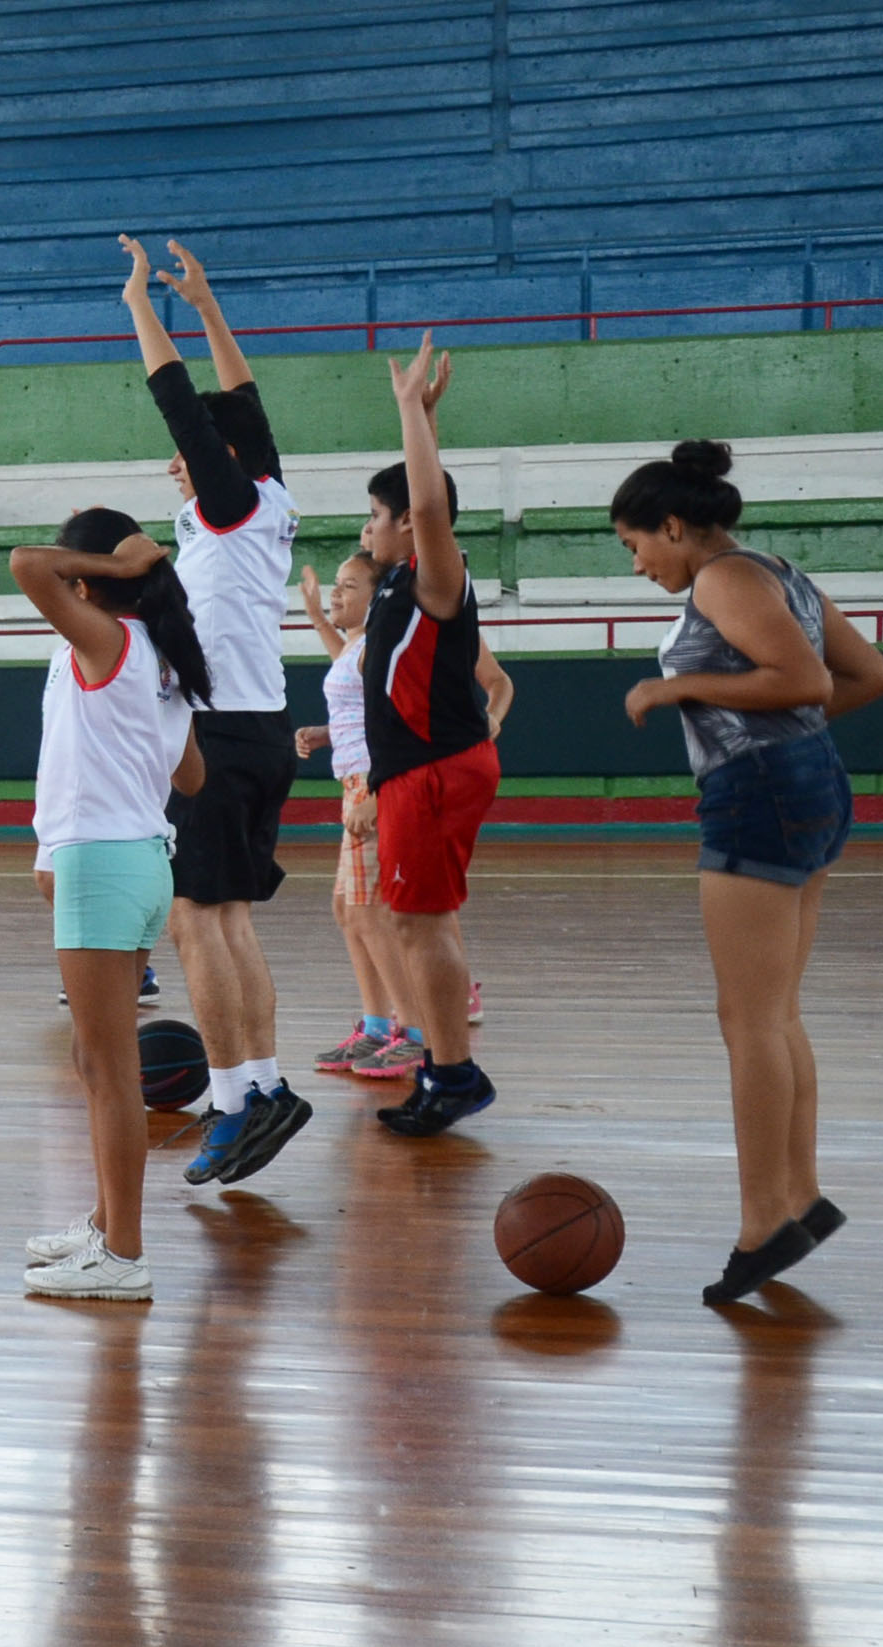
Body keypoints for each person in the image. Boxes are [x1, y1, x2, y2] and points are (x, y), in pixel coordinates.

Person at [611, 440, 883, 1302]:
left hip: (759, 794)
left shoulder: (722, 580)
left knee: (748, 1022)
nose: (637, 565)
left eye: (635, 545)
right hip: (811, 780)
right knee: (775, 1014)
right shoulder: (780, 572)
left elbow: (803, 677)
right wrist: (787, 733)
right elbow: (869, 676)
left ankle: (764, 1222)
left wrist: (676, 688)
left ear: (673, 526)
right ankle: (799, 1197)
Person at [121, 236, 307, 1185]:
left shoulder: (233, 503)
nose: (176, 465)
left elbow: (186, 404)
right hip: (260, 728)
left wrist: (140, 306)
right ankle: (265, 1087)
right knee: (227, 920)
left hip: (223, 734)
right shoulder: (267, 495)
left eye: (190, 457)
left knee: (196, 921)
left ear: (218, 460)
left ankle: (232, 1104)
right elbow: (243, 402)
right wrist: (205, 304)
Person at [12, 510, 213, 1302]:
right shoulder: (162, 653)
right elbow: (191, 776)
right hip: (142, 863)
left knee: (109, 1072)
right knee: (96, 1062)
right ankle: (105, 1224)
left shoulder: (112, 642)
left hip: (101, 864)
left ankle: (124, 1254)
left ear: (91, 578)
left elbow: (27, 564)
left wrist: (121, 565)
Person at [356, 333, 500, 1138]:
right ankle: (446, 1068)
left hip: (434, 769)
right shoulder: (403, 578)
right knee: (419, 919)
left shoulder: (438, 580)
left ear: (408, 524)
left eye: (378, 516)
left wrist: (410, 410)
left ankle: (452, 1073)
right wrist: (425, 426)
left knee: (420, 922)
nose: (368, 527)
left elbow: (431, 507)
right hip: (423, 769)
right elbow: (428, 498)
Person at [293, 554, 410, 1076]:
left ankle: (413, 1030)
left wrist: (379, 794)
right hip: (355, 783)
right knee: (347, 908)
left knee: (367, 911)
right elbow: (351, 686)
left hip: (372, 784)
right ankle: (377, 1025)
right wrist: (318, 617)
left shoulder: (378, 648)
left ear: (377, 596)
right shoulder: (359, 647)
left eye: (349, 586)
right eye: (335, 585)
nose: (337, 592)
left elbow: (401, 724)